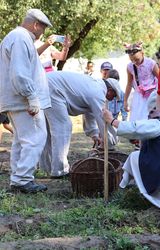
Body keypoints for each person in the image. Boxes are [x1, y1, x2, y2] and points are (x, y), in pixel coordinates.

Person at [0, 9, 52, 193]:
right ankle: (22, 180)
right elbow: (20, 73)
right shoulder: (21, 38)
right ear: (35, 24)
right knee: (35, 138)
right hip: (23, 101)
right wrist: (32, 98)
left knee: (22, 141)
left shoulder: (16, 37)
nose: (42, 33)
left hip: (17, 100)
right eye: (43, 29)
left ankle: (18, 178)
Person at [39, 71, 121, 178]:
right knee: (63, 127)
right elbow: (104, 120)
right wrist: (110, 142)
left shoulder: (94, 87)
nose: (112, 99)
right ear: (110, 90)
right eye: (114, 96)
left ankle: (46, 167)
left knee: (49, 130)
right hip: (52, 87)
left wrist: (94, 134)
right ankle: (60, 171)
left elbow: (90, 113)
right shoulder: (98, 93)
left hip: (47, 84)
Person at [124, 42, 159, 121]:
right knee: (138, 118)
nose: (135, 62)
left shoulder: (151, 64)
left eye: (137, 59)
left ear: (142, 53)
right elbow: (129, 84)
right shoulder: (130, 67)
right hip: (139, 96)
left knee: (149, 116)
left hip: (152, 95)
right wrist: (125, 101)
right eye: (132, 60)